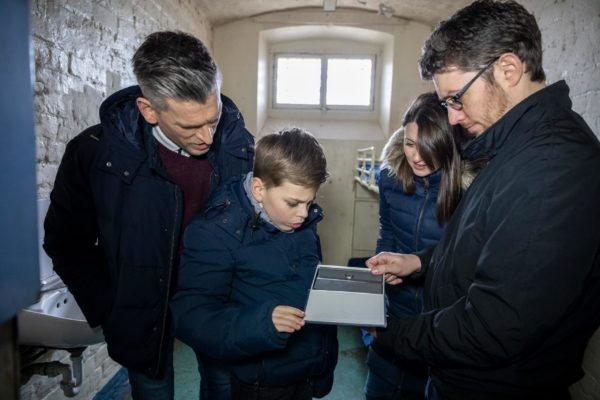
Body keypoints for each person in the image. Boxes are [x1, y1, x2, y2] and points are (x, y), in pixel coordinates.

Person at [366, 1, 600, 399]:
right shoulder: (514, 146)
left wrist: (393, 334)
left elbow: (495, 326)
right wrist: (420, 262)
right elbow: (481, 247)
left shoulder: (554, 166)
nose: (453, 117)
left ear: (508, 69)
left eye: (456, 98)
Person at [43, 31, 255, 400]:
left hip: (221, 302)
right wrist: (109, 308)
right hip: (138, 308)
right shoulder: (94, 155)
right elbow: (66, 241)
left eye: (213, 118)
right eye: (190, 126)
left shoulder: (239, 146)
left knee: (223, 387)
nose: (207, 136)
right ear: (149, 110)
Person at [171, 127, 338, 400]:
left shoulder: (299, 219)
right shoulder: (215, 231)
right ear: (259, 189)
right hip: (255, 381)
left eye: (310, 202)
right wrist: (260, 324)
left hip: (302, 373)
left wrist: (322, 366)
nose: (303, 213)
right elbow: (191, 316)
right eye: (294, 202)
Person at [364, 92, 463, 400]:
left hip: (442, 325)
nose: (416, 156)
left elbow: (466, 260)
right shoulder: (390, 177)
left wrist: (416, 267)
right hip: (397, 313)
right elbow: (388, 231)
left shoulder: (470, 190)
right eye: (409, 143)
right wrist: (382, 271)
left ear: (447, 143)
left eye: (428, 146)